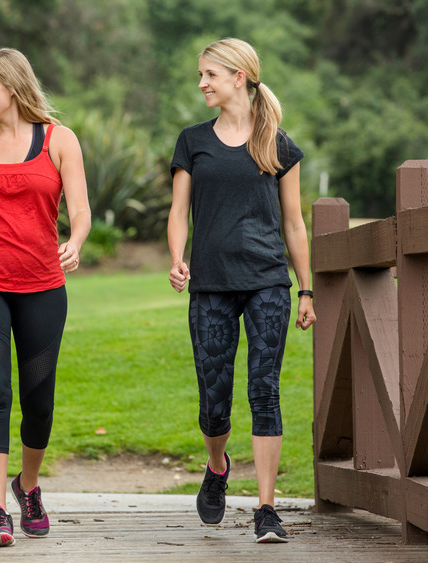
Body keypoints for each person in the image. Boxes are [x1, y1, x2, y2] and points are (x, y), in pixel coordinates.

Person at [166, 37, 315, 544]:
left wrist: (306, 290)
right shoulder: (192, 140)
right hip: (209, 285)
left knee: (264, 390)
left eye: (210, 74)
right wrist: (177, 258)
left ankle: (266, 509)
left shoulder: (278, 144)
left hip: (267, 283)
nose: (202, 83)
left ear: (239, 77)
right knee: (214, 401)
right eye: (201, 74)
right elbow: (178, 212)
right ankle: (218, 464)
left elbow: (294, 224)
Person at [0, 47, 91, 548]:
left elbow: (82, 209)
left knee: (38, 400)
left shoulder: (58, 139)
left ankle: (27, 487)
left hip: (43, 286)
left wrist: (74, 241)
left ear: (11, 84)